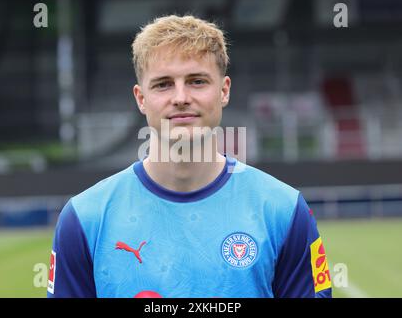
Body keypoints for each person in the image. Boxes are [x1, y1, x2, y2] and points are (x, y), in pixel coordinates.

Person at [47, 15, 332, 298]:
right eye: (163, 84)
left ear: (224, 91)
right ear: (141, 98)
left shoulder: (283, 210)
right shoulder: (85, 219)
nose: (181, 97)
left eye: (197, 81)